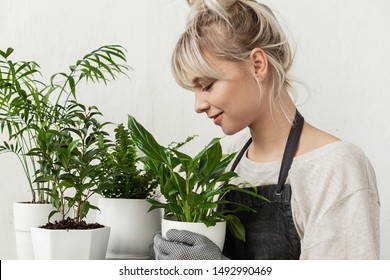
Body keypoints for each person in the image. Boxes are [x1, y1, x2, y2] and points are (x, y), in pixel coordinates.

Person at [152, 0, 380, 259]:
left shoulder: (335, 168)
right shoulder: (228, 159)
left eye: (206, 85)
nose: (198, 105)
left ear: (257, 65)